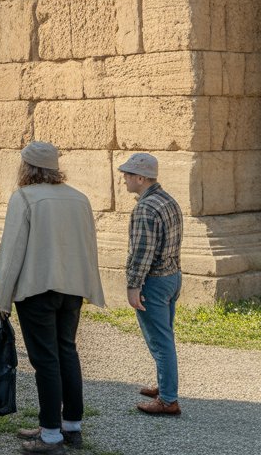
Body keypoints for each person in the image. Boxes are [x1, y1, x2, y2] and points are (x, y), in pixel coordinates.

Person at [0, 141, 104, 455]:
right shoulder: (79, 198)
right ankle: (71, 426)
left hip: (38, 288)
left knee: (46, 361)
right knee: (67, 352)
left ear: (26, 167)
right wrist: (90, 286)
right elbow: (88, 246)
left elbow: (11, 254)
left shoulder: (24, 197)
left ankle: (51, 435)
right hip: (72, 288)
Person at [120, 152, 183, 417]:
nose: (124, 179)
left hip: (154, 281)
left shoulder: (145, 208)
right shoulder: (168, 199)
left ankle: (168, 400)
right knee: (164, 335)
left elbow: (142, 253)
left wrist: (133, 286)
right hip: (172, 276)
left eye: (128, 174)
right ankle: (164, 386)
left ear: (141, 178)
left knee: (160, 341)